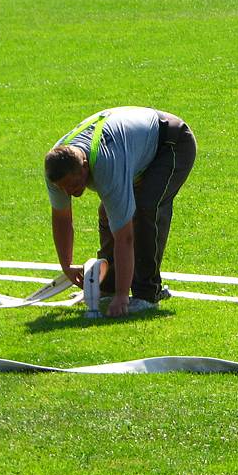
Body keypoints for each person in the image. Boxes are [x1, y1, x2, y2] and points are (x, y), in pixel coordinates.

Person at [44, 106, 196, 317]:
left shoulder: (106, 165)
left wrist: (123, 297)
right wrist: (67, 266)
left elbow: (125, 238)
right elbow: (61, 220)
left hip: (171, 144)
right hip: (132, 145)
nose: (69, 191)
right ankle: (108, 288)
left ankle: (147, 294)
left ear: (85, 167)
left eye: (74, 184)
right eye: (64, 188)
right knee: (109, 213)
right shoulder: (55, 168)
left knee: (143, 210)